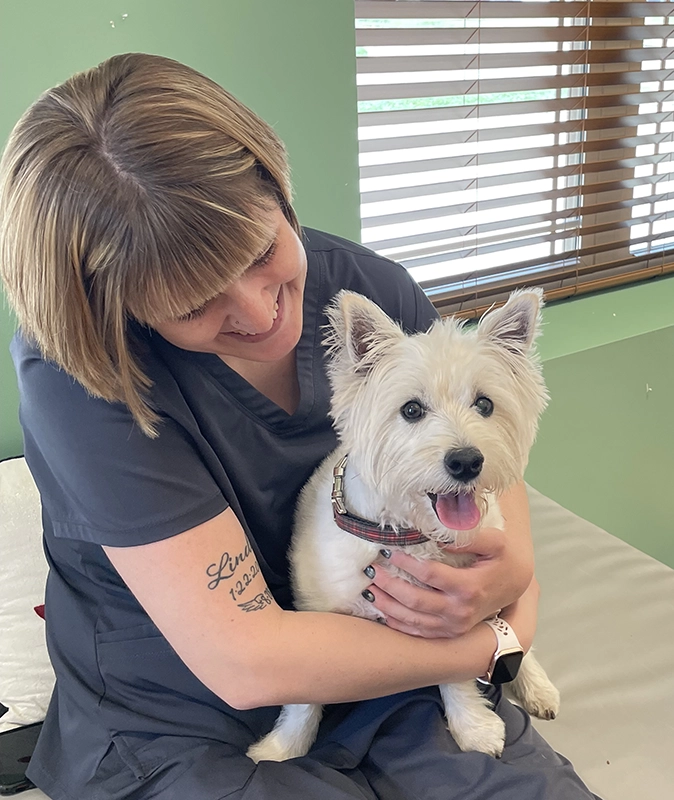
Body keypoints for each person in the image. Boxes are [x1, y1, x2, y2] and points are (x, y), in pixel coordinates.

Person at [0, 53, 599, 800]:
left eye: (262, 252)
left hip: (394, 666)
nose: (260, 314)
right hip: (176, 718)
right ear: (113, 308)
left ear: (277, 188)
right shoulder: (79, 375)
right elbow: (249, 660)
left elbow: (488, 492)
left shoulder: (366, 289)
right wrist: (493, 642)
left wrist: (511, 592)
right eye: (192, 304)